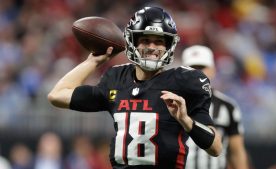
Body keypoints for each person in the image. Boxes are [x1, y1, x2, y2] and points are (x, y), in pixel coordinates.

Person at [48, 7, 222, 169]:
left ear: (169, 45)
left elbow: (216, 148)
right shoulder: (116, 79)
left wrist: (186, 120)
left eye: (159, 42)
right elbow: (57, 95)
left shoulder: (185, 81)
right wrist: (93, 61)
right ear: (133, 42)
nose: (152, 47)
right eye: (145, 40)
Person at [182, 45, 249, 169]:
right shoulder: (172, 102)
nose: (197, 73)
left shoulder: (227, 106)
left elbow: (237, 152)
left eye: (202, 67)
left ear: (213, 70)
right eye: (192, 68)